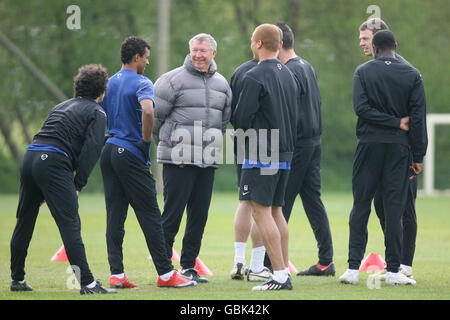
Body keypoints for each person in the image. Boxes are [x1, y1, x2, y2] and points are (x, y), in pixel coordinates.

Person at [10, 64, 116, 295]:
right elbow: (91, 150)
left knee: (24, 220)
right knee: (70, 225)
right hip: (53, 163)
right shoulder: (97, 112)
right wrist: (77, 184)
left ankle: (17, 279)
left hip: (30, 157)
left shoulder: (62, 105)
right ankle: (87, 284)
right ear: (102, 91)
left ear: (78, 86)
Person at [100, 36, 196, 289]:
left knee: (115, 214)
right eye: (145, 57)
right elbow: (149, 110)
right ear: (136, 58)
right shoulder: (142, 82)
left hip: (108, 150)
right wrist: (144, 143)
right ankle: (166, 274)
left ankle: (117, 274)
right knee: (151, 214)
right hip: (130, 152)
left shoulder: (108, 83)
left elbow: (100, 114)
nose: (147, 61)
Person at [339, 30, 427, 286]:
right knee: (394, 209)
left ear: (375, 48)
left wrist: (389, 122)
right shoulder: (412, 74)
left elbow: (361, 109)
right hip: (399, 150)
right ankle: (393, 272)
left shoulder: (363, 72)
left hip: (368, 146)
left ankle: (353, 269)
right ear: (395, 47)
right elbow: (418, 118)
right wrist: (418, 154)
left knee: (361, 204)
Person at [153, 33, 231, 284]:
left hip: (207, 160)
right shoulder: (171, 80)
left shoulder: (222, 84)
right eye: (195, 50)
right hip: (178, 159)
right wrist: (168, 146)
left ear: (213, 54)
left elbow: (223, 122)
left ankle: (188, 266)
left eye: (203, 51)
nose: (198, 55)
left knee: (199, 216)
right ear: (190, 51)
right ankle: (165, 270)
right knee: (172, 215)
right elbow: (154, 119)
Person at [232, 24, 298, 291]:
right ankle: (282, 271)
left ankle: (280, 275)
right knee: (276, 210)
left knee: (260, 211)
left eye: (251, 41)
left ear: (259, 43)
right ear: (279, 44)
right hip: (285, 151)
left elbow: (241, 119)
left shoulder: (254, 75)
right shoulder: (289, 75)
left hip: (261, 152)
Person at [273, 22, 335, 277]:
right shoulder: (306, 65)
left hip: (297, 144)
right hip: (314, 141)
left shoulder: (287, 71)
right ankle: (325, 261)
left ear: (277, 44)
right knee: (312, 201)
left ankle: (271, 262)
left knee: (280, 202)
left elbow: (289, 113)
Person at [359, 18, 418, 279]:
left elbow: (415, 116)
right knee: (383, 206)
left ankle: (404, 265)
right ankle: (394, 261)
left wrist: (416, 154)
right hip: (381, 151)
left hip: (401, 152)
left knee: (404, 208)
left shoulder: (407, 71)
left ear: (379, 39)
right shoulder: (369, 70)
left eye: (366, 39)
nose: (363, 43)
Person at [229, 59, 272, 282]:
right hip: (267, 146)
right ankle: (256, 265)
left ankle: (239, 261)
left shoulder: (240, 70)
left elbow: (232, 112)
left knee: (245, 200)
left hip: (243, 144)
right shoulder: (272, 71)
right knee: (264, 205)